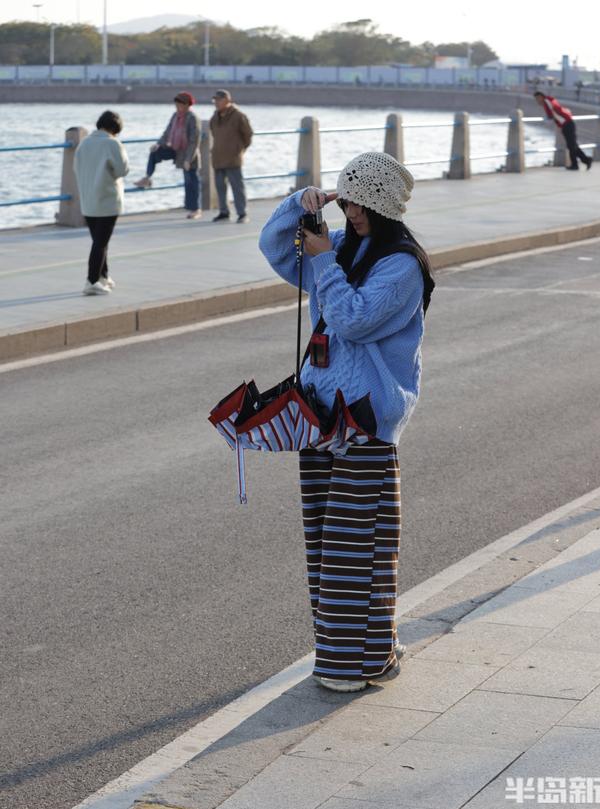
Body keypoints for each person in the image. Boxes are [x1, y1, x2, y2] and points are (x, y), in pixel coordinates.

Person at [259, 152, 435, 693]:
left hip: (365, 423)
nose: (350, 210)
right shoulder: (341, 246)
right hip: (321, 416)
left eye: (358, 202)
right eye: (346, 199)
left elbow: (354, 321)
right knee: (329, 542)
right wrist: (300, 205)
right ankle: (357, 659)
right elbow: (273, 249)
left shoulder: (402, 265)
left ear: (382, 205)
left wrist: (322, 260)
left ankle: (352, 663)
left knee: (357, 545)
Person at [73, 109, 129, 295]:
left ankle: (104, 276)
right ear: (115, 128)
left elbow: (76, 168)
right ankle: (92, 281)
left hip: (88, 200)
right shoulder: (112, 143)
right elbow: (122, 170)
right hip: (107, 200)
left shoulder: (84, 143)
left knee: (99, 240)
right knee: (100, 243)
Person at [134, 91, 202, 219]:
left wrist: (188, 159)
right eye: (176, 104)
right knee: (154, 153)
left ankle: (195, 209)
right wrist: (158, 144)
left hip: (188, 153)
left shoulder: (193, 118)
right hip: (175, 149)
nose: (177, 106)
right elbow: (167, 132)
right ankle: (147, 178)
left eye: (179, 104)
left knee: (191, 181)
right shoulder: (175, 116)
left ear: (187, 105)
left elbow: (194, 141)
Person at [209, 89, 253, 224]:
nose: (216, 102)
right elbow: (213, 133)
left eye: (219, 100)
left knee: (237, 187)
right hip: (218, 157)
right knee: (220, 187)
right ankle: (224, 212)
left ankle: (242, 213)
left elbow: (248, 135)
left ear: (227, 101)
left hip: (233, 158)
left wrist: (239, 149)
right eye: (215, 100)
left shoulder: (238, 115)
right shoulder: (214, 117)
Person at [534, 90, 593, 171]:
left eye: (537, 99)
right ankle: (585, 160)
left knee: (571, 146)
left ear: (541, 96)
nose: (537, 101)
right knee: (572, 145)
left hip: (567, 124)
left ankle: (577, 164)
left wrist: (547, 119)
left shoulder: (546, 101)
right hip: (567, 124)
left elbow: (551, 114)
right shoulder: (549, 100)